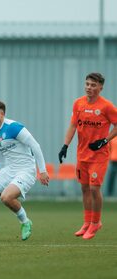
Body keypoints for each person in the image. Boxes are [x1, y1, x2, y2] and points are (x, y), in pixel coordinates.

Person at [0, 99, 49, 241]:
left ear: (1, 114)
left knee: (6, 197)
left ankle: (25, 222)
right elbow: (0, 157)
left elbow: (35, 146)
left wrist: (42, 171)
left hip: (26, 170)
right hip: (9, 170)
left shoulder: (13, 127)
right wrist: (1, 177)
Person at [58, 72, 117, 240]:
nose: (89, 88)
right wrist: (65, 145)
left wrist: (105, 140)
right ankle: (87, 222)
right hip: (82, 154)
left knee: (94, 188)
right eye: (87, 84)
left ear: (100, 88)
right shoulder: (78, 103)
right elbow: (73, 125)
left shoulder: (106, 106)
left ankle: (96, 222)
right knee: (84, 188)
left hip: (99, 155)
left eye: (93, 85)